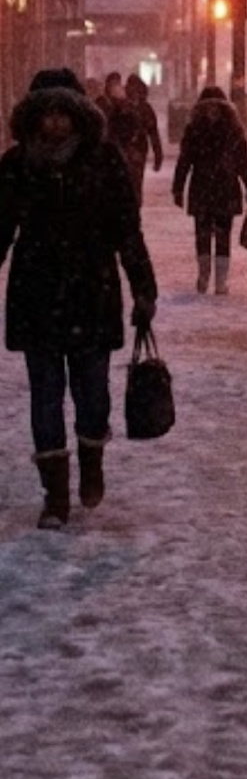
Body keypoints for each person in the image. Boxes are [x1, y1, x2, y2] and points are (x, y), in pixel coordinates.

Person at [0, 68, 157, 529]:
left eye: (61, 112)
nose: (54, 123)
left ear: (76, 114)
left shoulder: (103, 160)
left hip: (92, 291)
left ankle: (91, 460)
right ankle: (55, 495)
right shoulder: (16, 165)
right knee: (45, 398)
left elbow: (127, 230)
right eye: (45, 113)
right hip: (36, 294)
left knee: (93, 397)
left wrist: (143, 288)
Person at [172, 85, 247, 295]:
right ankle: (220, 281)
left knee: (202, 233)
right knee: (223, 234)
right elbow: (243, 162)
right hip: (226, 187)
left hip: (201, 186)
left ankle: (203, 276)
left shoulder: (194, 129)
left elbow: (185, 161)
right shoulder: (234, 129)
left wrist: (178, 188)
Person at [115, 73, 164, 206]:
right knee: (132, 181)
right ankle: (132, 206)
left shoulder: (129, 107)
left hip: (133, 149)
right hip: (131, 149)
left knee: (131, 181)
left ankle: (131, 207)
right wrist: (158, 154)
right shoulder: (138, 108)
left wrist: (158, 154)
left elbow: (153, 132)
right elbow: (153, 132)